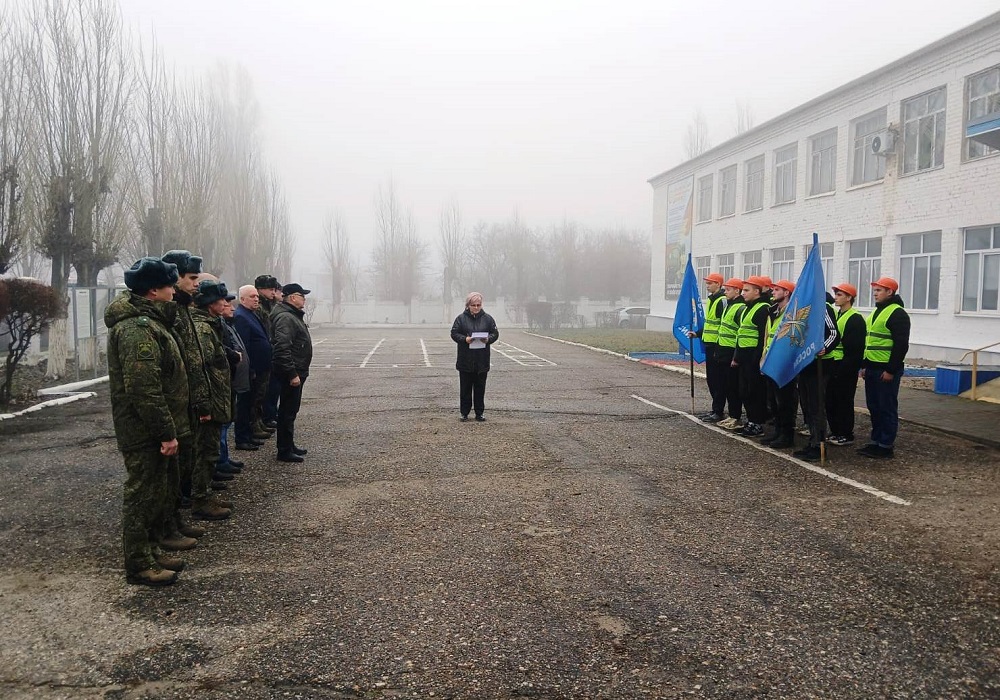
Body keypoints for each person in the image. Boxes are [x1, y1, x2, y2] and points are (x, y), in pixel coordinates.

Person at [105, 257, 190, 587]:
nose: (174, 291)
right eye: (170, 286)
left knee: (158, 493)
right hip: (144, 431)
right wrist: (165, 432)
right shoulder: (137, 329)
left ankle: (152, 551)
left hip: (155, 428)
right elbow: (144, 388)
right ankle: (140, 564)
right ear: (153, 291)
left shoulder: (152, 323)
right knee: (142, 496)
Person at [190, 280, 237, 520]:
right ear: (210, 304)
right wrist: (204, 405)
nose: (225, 304)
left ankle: (205, 495)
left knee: (210, 451)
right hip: (208, 400)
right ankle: (200, 500)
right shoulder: (202, 328)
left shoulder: (212, 324)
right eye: (221, 300)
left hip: (216, 396)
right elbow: (200, 368)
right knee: (205, 452)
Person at [859, 277, 910, 459]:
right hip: (872, 368)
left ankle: (886, 445)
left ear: (890, 292)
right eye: (875, 290)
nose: (875, 293)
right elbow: (869, 341)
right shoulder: (876, 312)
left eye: (879, 290)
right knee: (874, 406)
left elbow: (901, 345)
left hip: (885, 370)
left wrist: (891, 370)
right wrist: (864, 365)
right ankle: (876, 441)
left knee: (886, 407)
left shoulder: (897, 314)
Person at [793, 293, 841, 461]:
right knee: (807, 404)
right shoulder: (802, 309)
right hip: (805, 364)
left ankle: (819, 444)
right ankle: (812, 441)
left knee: (817, 406)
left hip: (820, 365)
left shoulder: (823, 308)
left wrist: (824, 347)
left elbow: (834, 333)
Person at [271, 282, 313, 463]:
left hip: (297, 369)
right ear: (293, 297)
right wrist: (292, 373)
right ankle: (284, 450)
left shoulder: (291, 315)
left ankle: (289, 445)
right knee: (287, 411)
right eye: (302, 296)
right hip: (292, 372)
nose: (304, 299)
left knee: (291, 410)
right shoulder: (286, 317)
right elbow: (282, 348)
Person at [826, 283, 867, 446]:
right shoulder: (837, 315)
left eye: (839, 295)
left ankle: (846, 433)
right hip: (833, 364)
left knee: (844, 400)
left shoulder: (855, 318)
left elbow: (855, 350)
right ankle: (835, 430)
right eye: (836, 294)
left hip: (844, 367)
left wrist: (844, 369)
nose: (835, 297)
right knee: (831, 400)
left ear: (849, 297)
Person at [234, 284, 273, 451]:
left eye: (257, 296)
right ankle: (242, 438)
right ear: (242, 299)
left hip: (260, 367)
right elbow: (245, 346)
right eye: (252, 296)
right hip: (252, 369)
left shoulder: (251, 314)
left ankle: (249, 435)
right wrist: (250, 370)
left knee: (253, 402)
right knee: (245, 404)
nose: (256, 299)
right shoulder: (241, 316)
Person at [450, 292, 500, 422]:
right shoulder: (461, 319)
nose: (476, 307)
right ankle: (464, 412)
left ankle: (479, 412)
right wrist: (464, 339)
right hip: (465, 359)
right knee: (465, 388)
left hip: (482, 360)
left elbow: (495, 333)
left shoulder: (488, 319)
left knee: (480, 388)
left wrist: (488, 339)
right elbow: (454, 333)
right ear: (468, 305)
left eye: (478, 305)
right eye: (473, 305)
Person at [760, 279, 798, 449]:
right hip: (770, 361)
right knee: (774, 400)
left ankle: (787, 435)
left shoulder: (792, 312)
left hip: (784, 363)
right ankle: (778, 431)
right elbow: (767, 337)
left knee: (785, 401)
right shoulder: (773, 311)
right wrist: (763, 359)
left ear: (787, 292)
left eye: (777, 290)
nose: (773, 292)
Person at [733, 276, 770, 437]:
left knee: (755, 392)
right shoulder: (747, 308)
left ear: (757, 291)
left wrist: (758, 360)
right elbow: (741, 333)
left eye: (747, 290)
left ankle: (757, 423)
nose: (743, 293)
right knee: (744, 391)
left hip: (753, 357)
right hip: (744, 356)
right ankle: (751, 420)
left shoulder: (763, 309)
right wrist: (737, 357)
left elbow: (763, 337)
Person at [218, 294, 250, 477]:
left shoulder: (228, 324)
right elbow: (219, 349)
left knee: (228, 419)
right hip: (224, 379)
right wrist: (233, 355)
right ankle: (220, 461)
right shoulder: (217, 325)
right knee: (222, 424)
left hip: (233, 378)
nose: (231, 308)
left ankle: (224, 458)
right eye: (227, 305)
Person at [691, 272, 726, 422]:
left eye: (710, 283)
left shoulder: (721, 301)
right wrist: (698, 334)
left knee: (718, 380)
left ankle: (718, 411)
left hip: (717, 345)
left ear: (718, 284)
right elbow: (709, 323)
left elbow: (724, 325)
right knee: (711, 380)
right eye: (707, 283)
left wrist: (719, 346)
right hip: (709, 344)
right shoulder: (712, 300)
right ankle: (715, 409)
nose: (707, 286)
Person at [714, 278, 745, 430]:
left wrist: (736, 356)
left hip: (731, 352)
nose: (725, 292)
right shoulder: (729, 305)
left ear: (737, 291)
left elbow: (740, 333)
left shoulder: (740, 308)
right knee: (725, 386)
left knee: (733, 387)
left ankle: (736, 416)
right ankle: (732, 415)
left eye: (728, 289)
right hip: (723, 351)